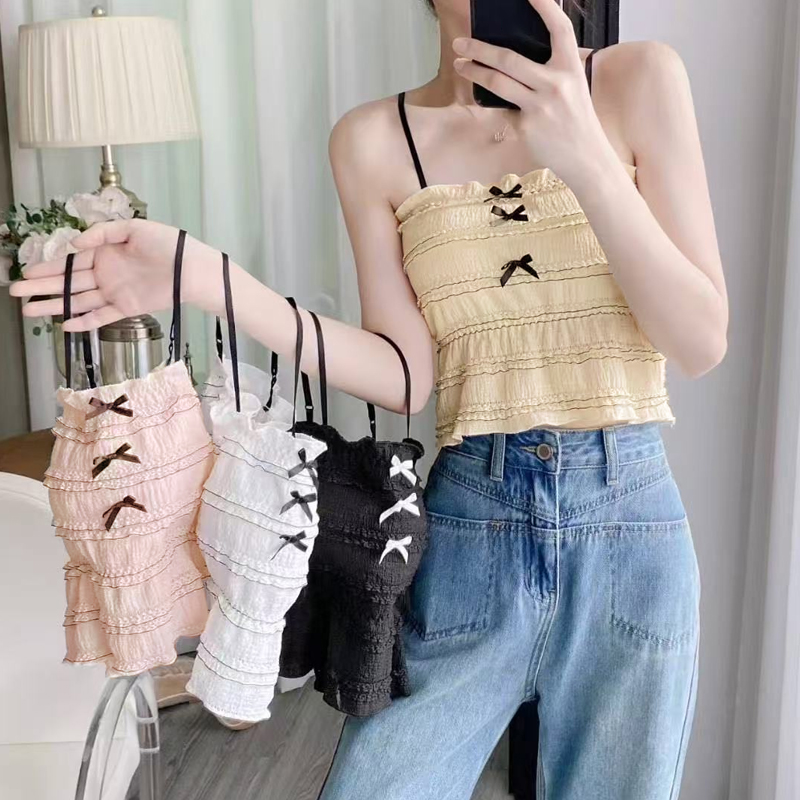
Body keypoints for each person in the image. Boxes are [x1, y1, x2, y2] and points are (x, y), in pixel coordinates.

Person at [10, 0, 727, 797]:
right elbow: (406, 374)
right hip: (472, 524)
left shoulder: (638, 80)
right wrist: (209, 278)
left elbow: (700, 340)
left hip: (628, 524)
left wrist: (584, 154)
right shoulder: (374, 139)